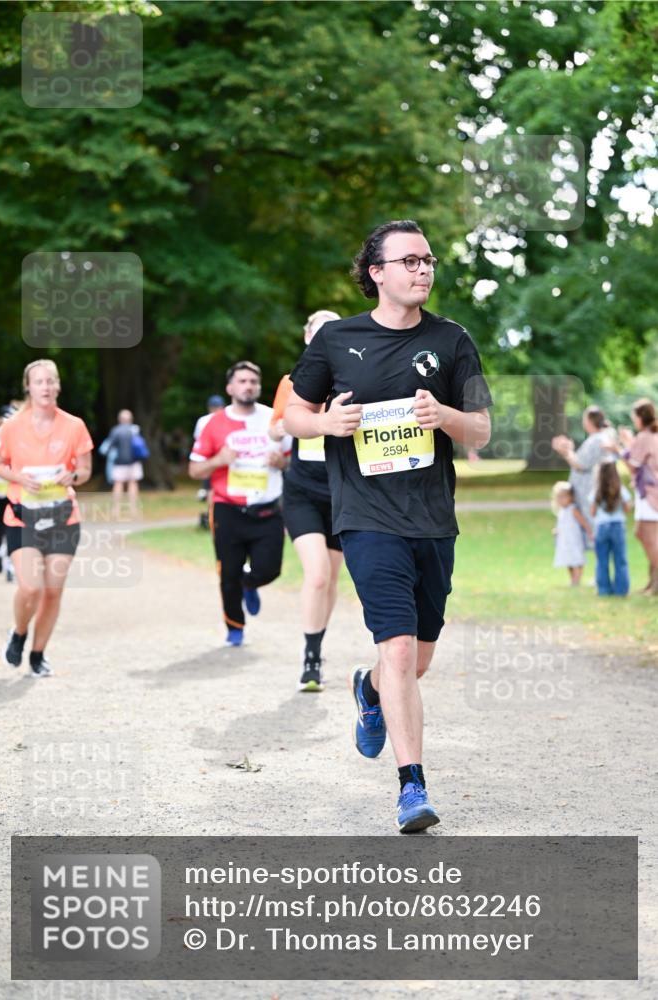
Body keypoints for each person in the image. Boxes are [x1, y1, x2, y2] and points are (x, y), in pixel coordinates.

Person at [284, 219, 492, 833]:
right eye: (409, 261)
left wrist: (445, 414)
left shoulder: (453, 341)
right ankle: (412, 788)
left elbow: (480, 429)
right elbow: (293, 413)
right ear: (376, 273)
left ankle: (369, 692)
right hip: (366, 518)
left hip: (432, 520)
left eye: (428, 260)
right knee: (396, 648)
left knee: (416, 660)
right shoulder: (337, 341)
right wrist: (325, 426)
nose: (422, 270)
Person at [0, 359, 93, 677]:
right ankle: (19, 633)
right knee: (31, 587)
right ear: (29, 387)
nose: (46, 387)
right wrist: (20, 477)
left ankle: (38, 654)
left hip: (63, 517)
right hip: (24, 517)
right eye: (39, 382)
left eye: (51, 381)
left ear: (58, 386)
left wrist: (72, 475)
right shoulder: (10, 428)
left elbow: (86, 470)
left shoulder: (74, 425)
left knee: (52, 591)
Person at [188, 361, 291, 647]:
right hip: (227, 508)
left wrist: (282, 462)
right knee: (228, 573)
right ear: (230, 387)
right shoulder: (212, 424)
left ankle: (251, 582)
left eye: (253, 381)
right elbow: (194, 470)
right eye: (242, 381)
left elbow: (294, 460)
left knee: (270, 569)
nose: (248, 386)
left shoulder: (276, 419)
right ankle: (234, 627)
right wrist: (218, 461)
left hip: (268, 508)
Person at [270, 309, 343, 692]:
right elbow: (275, 429)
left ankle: (318, 641)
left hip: (343, 493)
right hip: (302, 491)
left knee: (330, 579)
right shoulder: (292, 381)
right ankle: (310, 658)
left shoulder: (352, 377)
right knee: (316, 575)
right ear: (307, 338)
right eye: (319, 332)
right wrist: (309, 418)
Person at [613, 398, 658, 595]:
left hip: (649, 494)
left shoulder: (645, 436)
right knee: (650, 537)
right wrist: (628, 441)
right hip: (650, 492)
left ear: (640, 418)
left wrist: (617, 449)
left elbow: (633, 466)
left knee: (645, 536)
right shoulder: (651, 436)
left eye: (634, 418)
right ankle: (653, 584)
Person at [551, 406, 610, 544]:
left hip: (586, 492)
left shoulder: (596, 440)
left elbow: (580, 464)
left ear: (589, 421)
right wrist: (569, 451)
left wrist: (565, 451)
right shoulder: (599, 438)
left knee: (587, 531)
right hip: (589, 491)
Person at [589, 462, 631, 597]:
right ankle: (621, 590)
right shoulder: (621, 489)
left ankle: (604, 589)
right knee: (620, 559)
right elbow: (627, 508)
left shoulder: (596, 491)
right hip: (618, 526)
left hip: (601, 527)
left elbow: (593, 512)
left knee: (602, 560)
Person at [193, 395, 226, 530]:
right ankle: (218, 518)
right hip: (224, 458)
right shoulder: (226, 419)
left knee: (209, 489)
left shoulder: (202, 420)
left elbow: (197, 439)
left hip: (209, 460)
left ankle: (211, 518)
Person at [105, 409, 144, 519]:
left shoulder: (116, 430)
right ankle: (133, 509)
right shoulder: (135, 430)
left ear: (120, 419)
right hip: (134, 461)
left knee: (118, 484)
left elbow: (109, 446)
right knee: (133, 483)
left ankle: (116, 510)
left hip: (119, 462)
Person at [0, 407, 16, 582]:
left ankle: (7, 560)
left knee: (2, 526)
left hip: (6, 488)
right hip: (3, 487)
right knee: (5, 526)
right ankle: (2, 553)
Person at [551, 481, 591, 585]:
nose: (561, 500)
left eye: (564, 497)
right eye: (559, 497)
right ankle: (572, 579)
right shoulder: (561, 511)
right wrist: (556, 531)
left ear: (571, 497)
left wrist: (589, 532)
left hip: (573, 539)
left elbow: (584, 522)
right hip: (564, 540)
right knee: (568, 559)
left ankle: (577, 580)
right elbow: (561, 524)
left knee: (576, 559)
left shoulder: (573, 509)